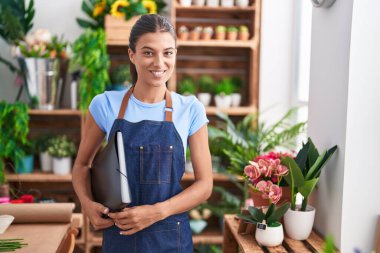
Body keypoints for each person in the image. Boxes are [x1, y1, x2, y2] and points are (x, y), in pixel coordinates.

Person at [72, 14, 213, 252]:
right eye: (148, 52)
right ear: (132, 55)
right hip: (120, 237)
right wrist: (87, 205)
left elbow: (205, 185)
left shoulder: (190, 109)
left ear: (175, 54)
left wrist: (156, 212)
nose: (159, 63)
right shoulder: (105, 104)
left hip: (172, 239)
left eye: (168, 52)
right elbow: (81, 166)